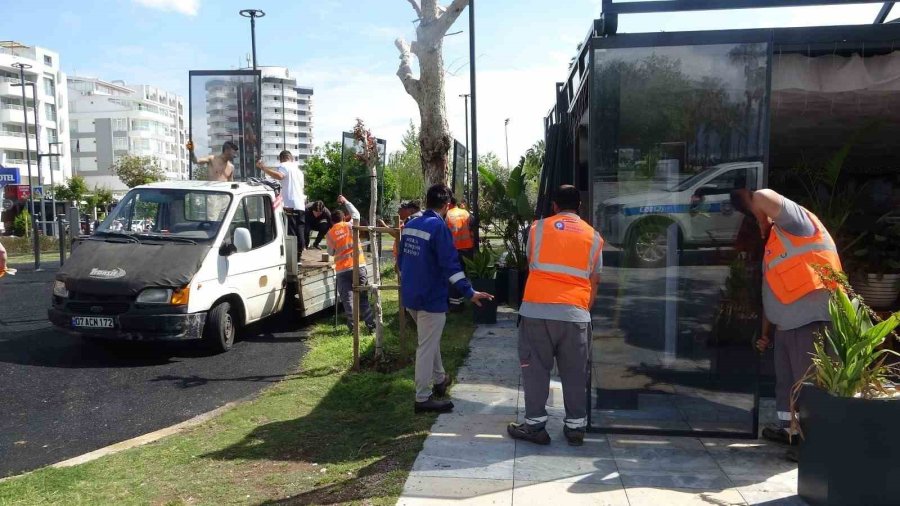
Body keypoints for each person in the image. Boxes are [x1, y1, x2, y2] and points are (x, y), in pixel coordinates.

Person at [731, 188, 841, 456]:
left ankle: (811, 442)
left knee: (808, 383)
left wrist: (761, 216)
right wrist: (767, 333)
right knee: (787, 385)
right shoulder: (773, 244)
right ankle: (791, 431)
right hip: (786, 327)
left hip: (811, 321)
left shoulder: (798, 223)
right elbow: (774, 292)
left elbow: (763, 196)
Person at [507, 185, 603, 447]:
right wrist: (582, 309)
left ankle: (536, 426)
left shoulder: (538, 230)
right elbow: (595, 280)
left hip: (537, 311)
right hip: (575, 313)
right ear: (580, 207)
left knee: (536, 369)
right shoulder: (593, 237)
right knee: (574, 372)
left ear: (554, 207)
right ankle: (575, 428)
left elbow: (531, 263)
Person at [398, 184, 494, 413]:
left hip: (410, 295)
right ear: (447, 205)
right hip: (430, 297)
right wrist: (469, 292)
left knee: (429, 341)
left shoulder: (411, 224)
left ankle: (440, 380)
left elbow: (401, 261)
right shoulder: (438, 227)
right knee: (426, 346)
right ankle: (422, 398)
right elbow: (451, 266)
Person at [327, 195, 376, 333]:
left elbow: (331, 252)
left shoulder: (330, 234)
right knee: (363, 298)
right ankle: (370, 325)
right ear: (343, 218)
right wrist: (345, 201)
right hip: (358, 266)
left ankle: (354, 328)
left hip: (342, 271)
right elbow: (356, 214)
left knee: (348, 300)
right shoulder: (350, 226)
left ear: (332, 221)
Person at [257, 150, 306, 259]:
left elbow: (280, 176)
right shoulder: (299, 171)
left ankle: (292, 258)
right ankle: (299, 255)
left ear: (281, 158)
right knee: (300, 230)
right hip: (300, 205)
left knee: (291, 232)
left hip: (290, 204)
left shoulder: (284, 166)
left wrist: (264, 168)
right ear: (291, 158)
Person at [445, 197, 474, 311]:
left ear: (448, 204)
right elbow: (472, 228)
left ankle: (456, 304)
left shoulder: (447, 215)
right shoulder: (466, 213)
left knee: (454, 276)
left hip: (453, 250)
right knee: (465, 275)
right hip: (467, 249)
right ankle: (469, 297)